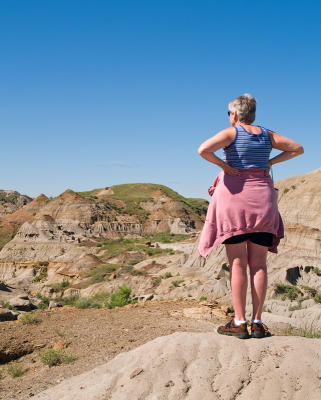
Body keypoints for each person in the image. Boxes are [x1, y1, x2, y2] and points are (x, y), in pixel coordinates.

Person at [197, 94, 304, 339]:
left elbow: (203, 150)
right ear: (253, 115)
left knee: (237, 262)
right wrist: (269, 160)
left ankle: (239, 322)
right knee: (259, 264)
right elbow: (297, 149)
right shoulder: (267, 135)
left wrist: (225, 167)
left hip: (233, 202)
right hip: (263, 202)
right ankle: (257, 323)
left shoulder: (231, 133)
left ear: (234, 115)